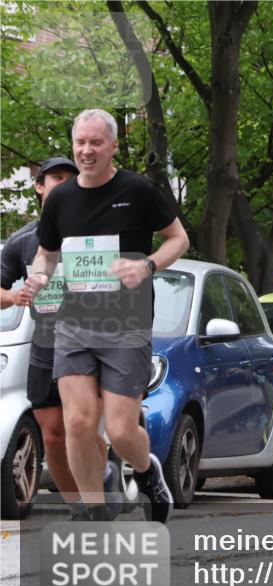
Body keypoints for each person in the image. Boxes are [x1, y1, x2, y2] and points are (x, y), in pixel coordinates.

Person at [23, 109, 189, 523]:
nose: (86, 150)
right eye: (80, 142)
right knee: (78, 423)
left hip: (126, 326)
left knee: (119, 430)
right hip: (74, 325)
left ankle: (147, 472)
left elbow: (178, 238)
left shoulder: (138, 190)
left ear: (113, 146)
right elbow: (46, 254)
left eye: (96, 142)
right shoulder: (60, 199)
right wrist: (39, 277)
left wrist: (147, 265)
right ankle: (94, 515)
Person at [1, 157, 123, 519]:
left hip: (89, 343)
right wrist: (14, 297)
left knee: (81, 425)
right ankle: (79, 506)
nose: (65, 183)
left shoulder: (96, 233)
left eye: (72, 177)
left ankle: (100, 486)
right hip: (45, 344)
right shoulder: (22, 241)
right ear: (39, 187)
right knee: (53, 433)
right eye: (56, 177)